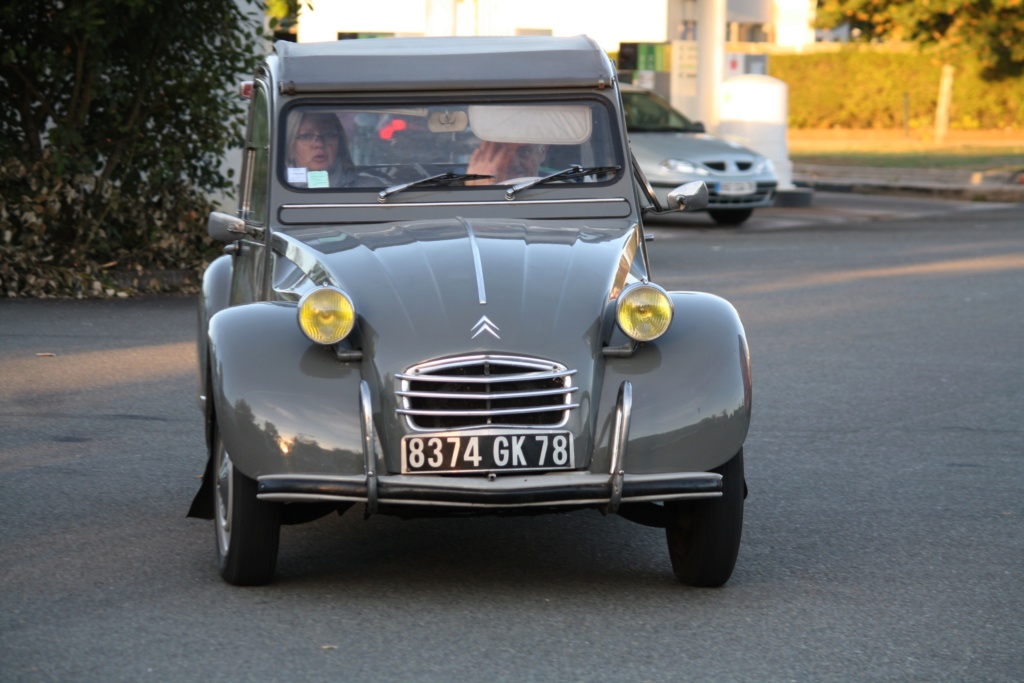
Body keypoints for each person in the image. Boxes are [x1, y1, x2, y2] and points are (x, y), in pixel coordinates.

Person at [466, 140, 547, 184]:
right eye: (502, 153)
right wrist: (477, 190)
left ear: (542, 153)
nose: (513, 163)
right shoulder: (457, 191)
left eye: (523, 152)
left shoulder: (556, 187)